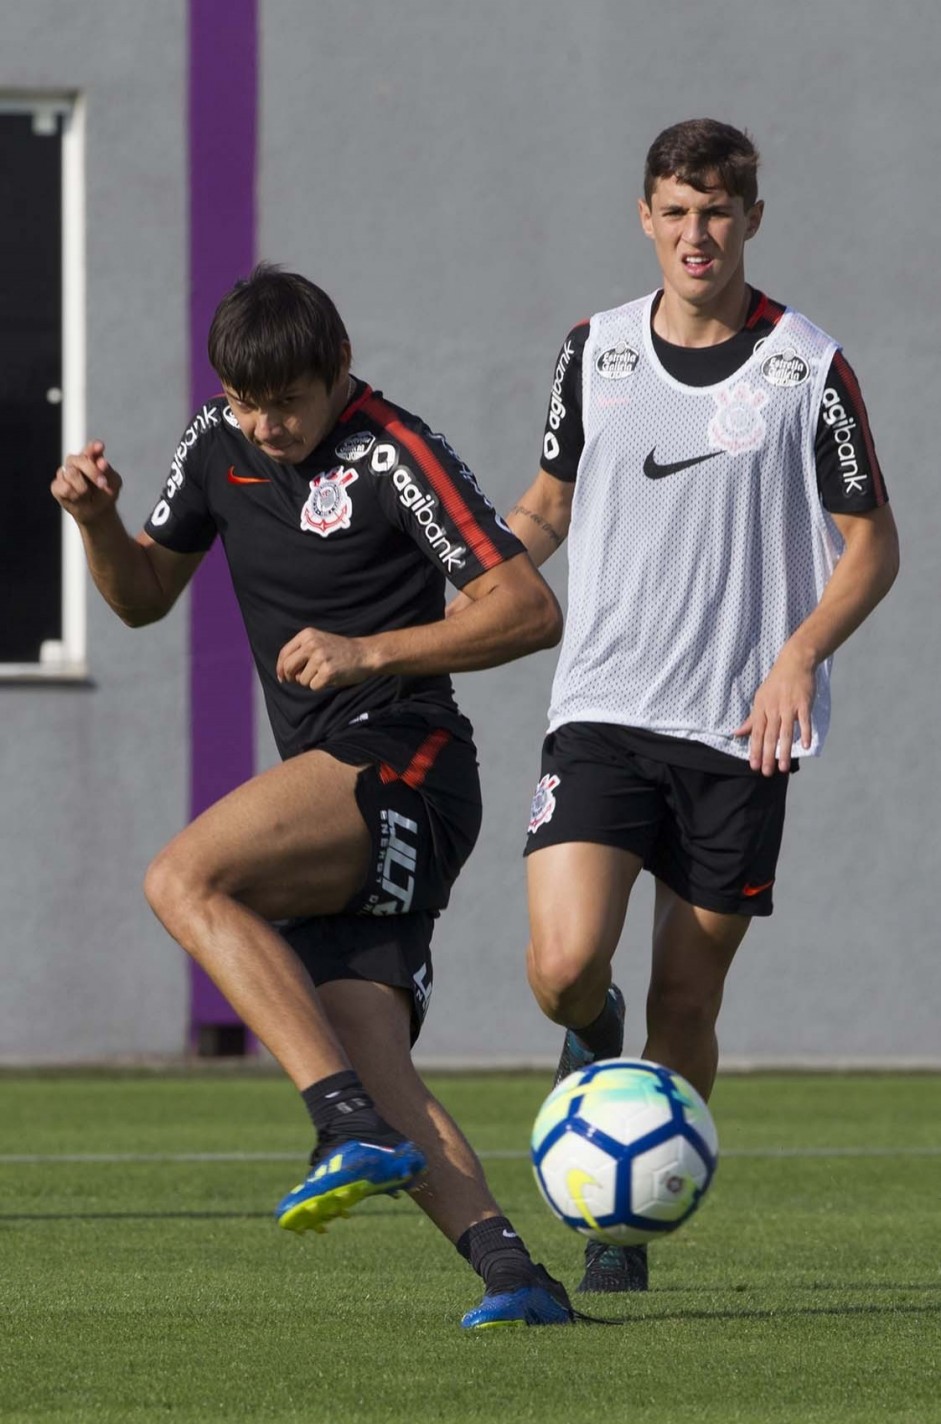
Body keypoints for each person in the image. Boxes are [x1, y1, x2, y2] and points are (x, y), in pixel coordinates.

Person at [51, 263, 575, 1329]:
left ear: (337, 372)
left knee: (184, 875)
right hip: (347, 784)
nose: (265, 423)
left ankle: (340, 1127)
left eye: (285, 401)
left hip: (408, 760)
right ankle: (515, 1274)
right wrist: (100, 525)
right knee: (373, 1059)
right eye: (246, 400)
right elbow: (145, 595)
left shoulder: (395, 450)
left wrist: (367, 648)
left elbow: (526, 607)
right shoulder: (216, 441)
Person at [498, 119, 899, 1294]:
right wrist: (478, 569)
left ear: (751, 221)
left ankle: (621, 1226)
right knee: (564, 967)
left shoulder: (806, 365)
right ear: (644, 216)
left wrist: (797, 654)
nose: (695, 233)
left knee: (688, 995)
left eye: (716, 212)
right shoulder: (596, 350)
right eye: (675, 211)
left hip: (739, 729)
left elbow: (870, 547)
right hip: (604, 708)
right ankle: (589, 1020)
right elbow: (546, 505)